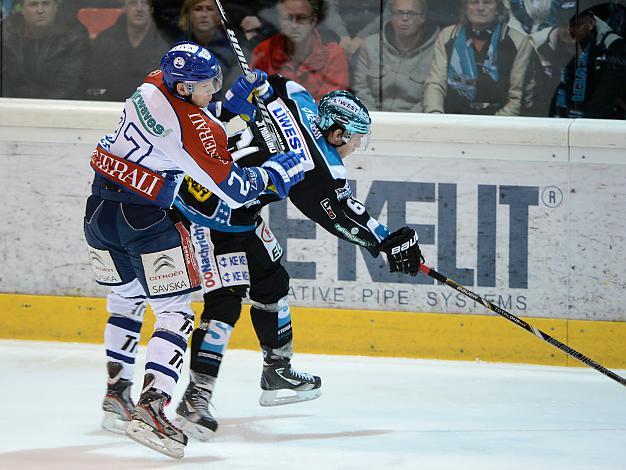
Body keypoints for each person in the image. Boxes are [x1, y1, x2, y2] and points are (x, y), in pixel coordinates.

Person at [169, 75, 424, 439]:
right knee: (225, 302)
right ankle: (196, 397)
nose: (355, 146)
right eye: (355, 138)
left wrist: (257, 84)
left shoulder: (297, 100)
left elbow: (273, 81)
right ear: (337, 133)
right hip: (207, 210)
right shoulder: (319, 168)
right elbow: (342, 216)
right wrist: (385, 243)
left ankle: (277, 370)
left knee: (272, 281)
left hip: (237, 209)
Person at [83, 41, 305, 458]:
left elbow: (200, 120)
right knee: (176, 313)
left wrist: (230, 105)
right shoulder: (190, 131)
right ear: (184, 88)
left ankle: (117, 397)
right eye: (206, 85)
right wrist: (281, 169)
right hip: (143, 219)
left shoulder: (151, 84)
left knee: (125, 299)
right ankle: (152, 408)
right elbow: (235, 190)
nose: (213, 90)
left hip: (98, 211)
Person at [423, 0, 532, 115]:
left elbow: (517, 98)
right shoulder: (447, 37)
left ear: (498, 8)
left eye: (487, 2)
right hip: (452, 119)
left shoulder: (518, 42)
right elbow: (435, 84)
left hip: (499, 122)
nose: (480, 8)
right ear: (466, 8)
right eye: (474, 2)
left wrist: (491, 127)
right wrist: (436, 116)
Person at [250, 0, 349, 101]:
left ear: (313, 21)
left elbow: (330, 105)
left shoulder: (333, 55)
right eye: (288, 18)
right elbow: (254, 98)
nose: (294, 25)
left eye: (301, 18)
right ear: (279, 20)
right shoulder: (264, 51)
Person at [352, 0, 439, 112]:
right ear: (391, 17)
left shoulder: (436, 51)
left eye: (411, 13)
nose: (404, 18)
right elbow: (360, 89)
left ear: (422, 18)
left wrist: (404, 123)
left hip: (415, 122)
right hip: (373, 119)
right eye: (399, 13)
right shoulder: (371, 45)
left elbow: (432, 96)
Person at [1, 0, 90, 99]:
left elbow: (69, 85)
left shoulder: (75, 35)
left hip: (60, 107)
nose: (40, 10)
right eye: (33, 4)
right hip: (12, 106)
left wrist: (39, 109)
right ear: (22, 10)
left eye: (45, 3)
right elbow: (3, 82)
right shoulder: (5, 32)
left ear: (56, 7)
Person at [548, 6, 626, 118]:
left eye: (577, 25)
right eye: (564, 25)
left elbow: (607, 97)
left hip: (597, 124)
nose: (570, 30)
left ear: (591, 23)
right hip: (557, 121)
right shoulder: (549, 47)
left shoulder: (613, 46)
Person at [87, 0, 171, 101]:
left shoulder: (165, 44)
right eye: (133, 3)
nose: (139, 9)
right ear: (124, 7)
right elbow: (93, 84)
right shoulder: (104, 40)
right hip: (109, 106)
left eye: (145, 3)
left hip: (150, 110)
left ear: (151, 9)